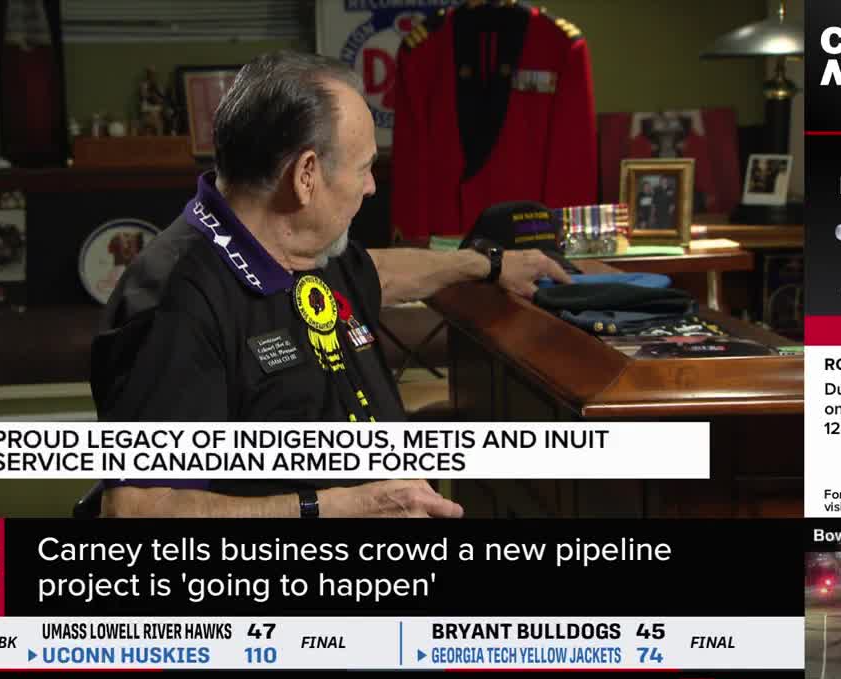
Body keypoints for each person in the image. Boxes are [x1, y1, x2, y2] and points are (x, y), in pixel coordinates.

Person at [88, 50, 571, 519]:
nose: (371, 186)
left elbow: (378, 272)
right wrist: (338, 508)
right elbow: (137, 509)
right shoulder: (175, 302)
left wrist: (486, 265)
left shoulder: (301, 245)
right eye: (363, 168)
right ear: (306, 175)